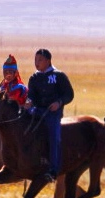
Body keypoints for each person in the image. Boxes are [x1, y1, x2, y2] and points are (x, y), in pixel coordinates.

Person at [26, 48, 74, 183]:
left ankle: (53, 170)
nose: (36, 62)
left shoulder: (58, 76)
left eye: (40, 60)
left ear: (48, 61)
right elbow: (31, 96)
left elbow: (69, 94)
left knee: (54, 138)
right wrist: (28, 103)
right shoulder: (34, 78)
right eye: (35, 60)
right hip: (36, 111)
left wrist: (59, 103)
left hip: (52, 113)